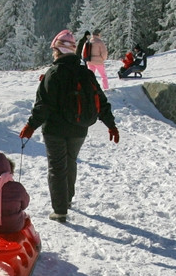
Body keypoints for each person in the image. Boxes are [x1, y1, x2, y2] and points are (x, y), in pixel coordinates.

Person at [19, 30, 119, 223]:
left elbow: (43, 105)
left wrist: (31, 126)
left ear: (58, 50)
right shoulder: (86, 73)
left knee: (57, 167)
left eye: (54, 50)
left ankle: (60, 210)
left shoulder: (53, 73)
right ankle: (68, 200)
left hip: (55, 130)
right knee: (71, 161)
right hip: (79, 128)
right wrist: (111, 125)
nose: (53, 53)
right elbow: (101, 100)